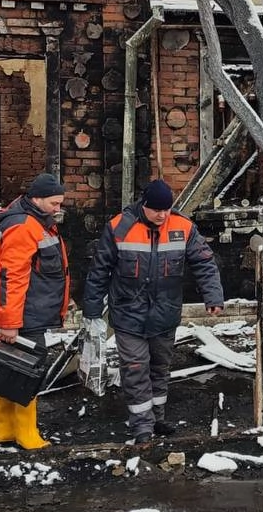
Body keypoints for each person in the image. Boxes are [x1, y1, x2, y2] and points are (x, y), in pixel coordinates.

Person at [83, 178, 224, 445]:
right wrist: (91, 310)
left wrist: (213, 296)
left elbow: (205, 263)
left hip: (164, 314)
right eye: (156, 210)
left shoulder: (183, 228)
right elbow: (99, 271)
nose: (162, 215)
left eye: (167, 210)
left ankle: (157, 417)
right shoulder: (119, 228)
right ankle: (142, 427)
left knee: (160, 368)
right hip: (128, 314)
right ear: (143, 205)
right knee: (136, 369)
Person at [0, 172, 70, 449]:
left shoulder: (29, 220)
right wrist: (11, 322)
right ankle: (26, 434)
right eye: (54, 203)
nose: (58, 209)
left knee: (8, 368)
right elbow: (13, 277)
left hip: (20, 313)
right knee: (26, 372)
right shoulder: (24, 227)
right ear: (37, 199)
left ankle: (5, 430)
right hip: (23, 316)